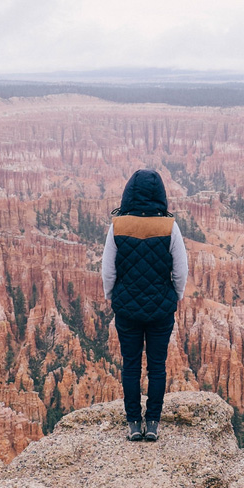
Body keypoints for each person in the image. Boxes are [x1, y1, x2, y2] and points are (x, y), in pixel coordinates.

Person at [101, 169, 188, 442]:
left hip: (126, 309)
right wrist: (175, 296)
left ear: (129, 193)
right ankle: (153, 423)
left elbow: (108, 270)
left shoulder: (117, 225)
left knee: (130, 366)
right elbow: (180, 269)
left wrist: (112, 296)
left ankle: (133, 425)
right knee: (157, 367)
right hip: (161, 310)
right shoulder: (169, 226)